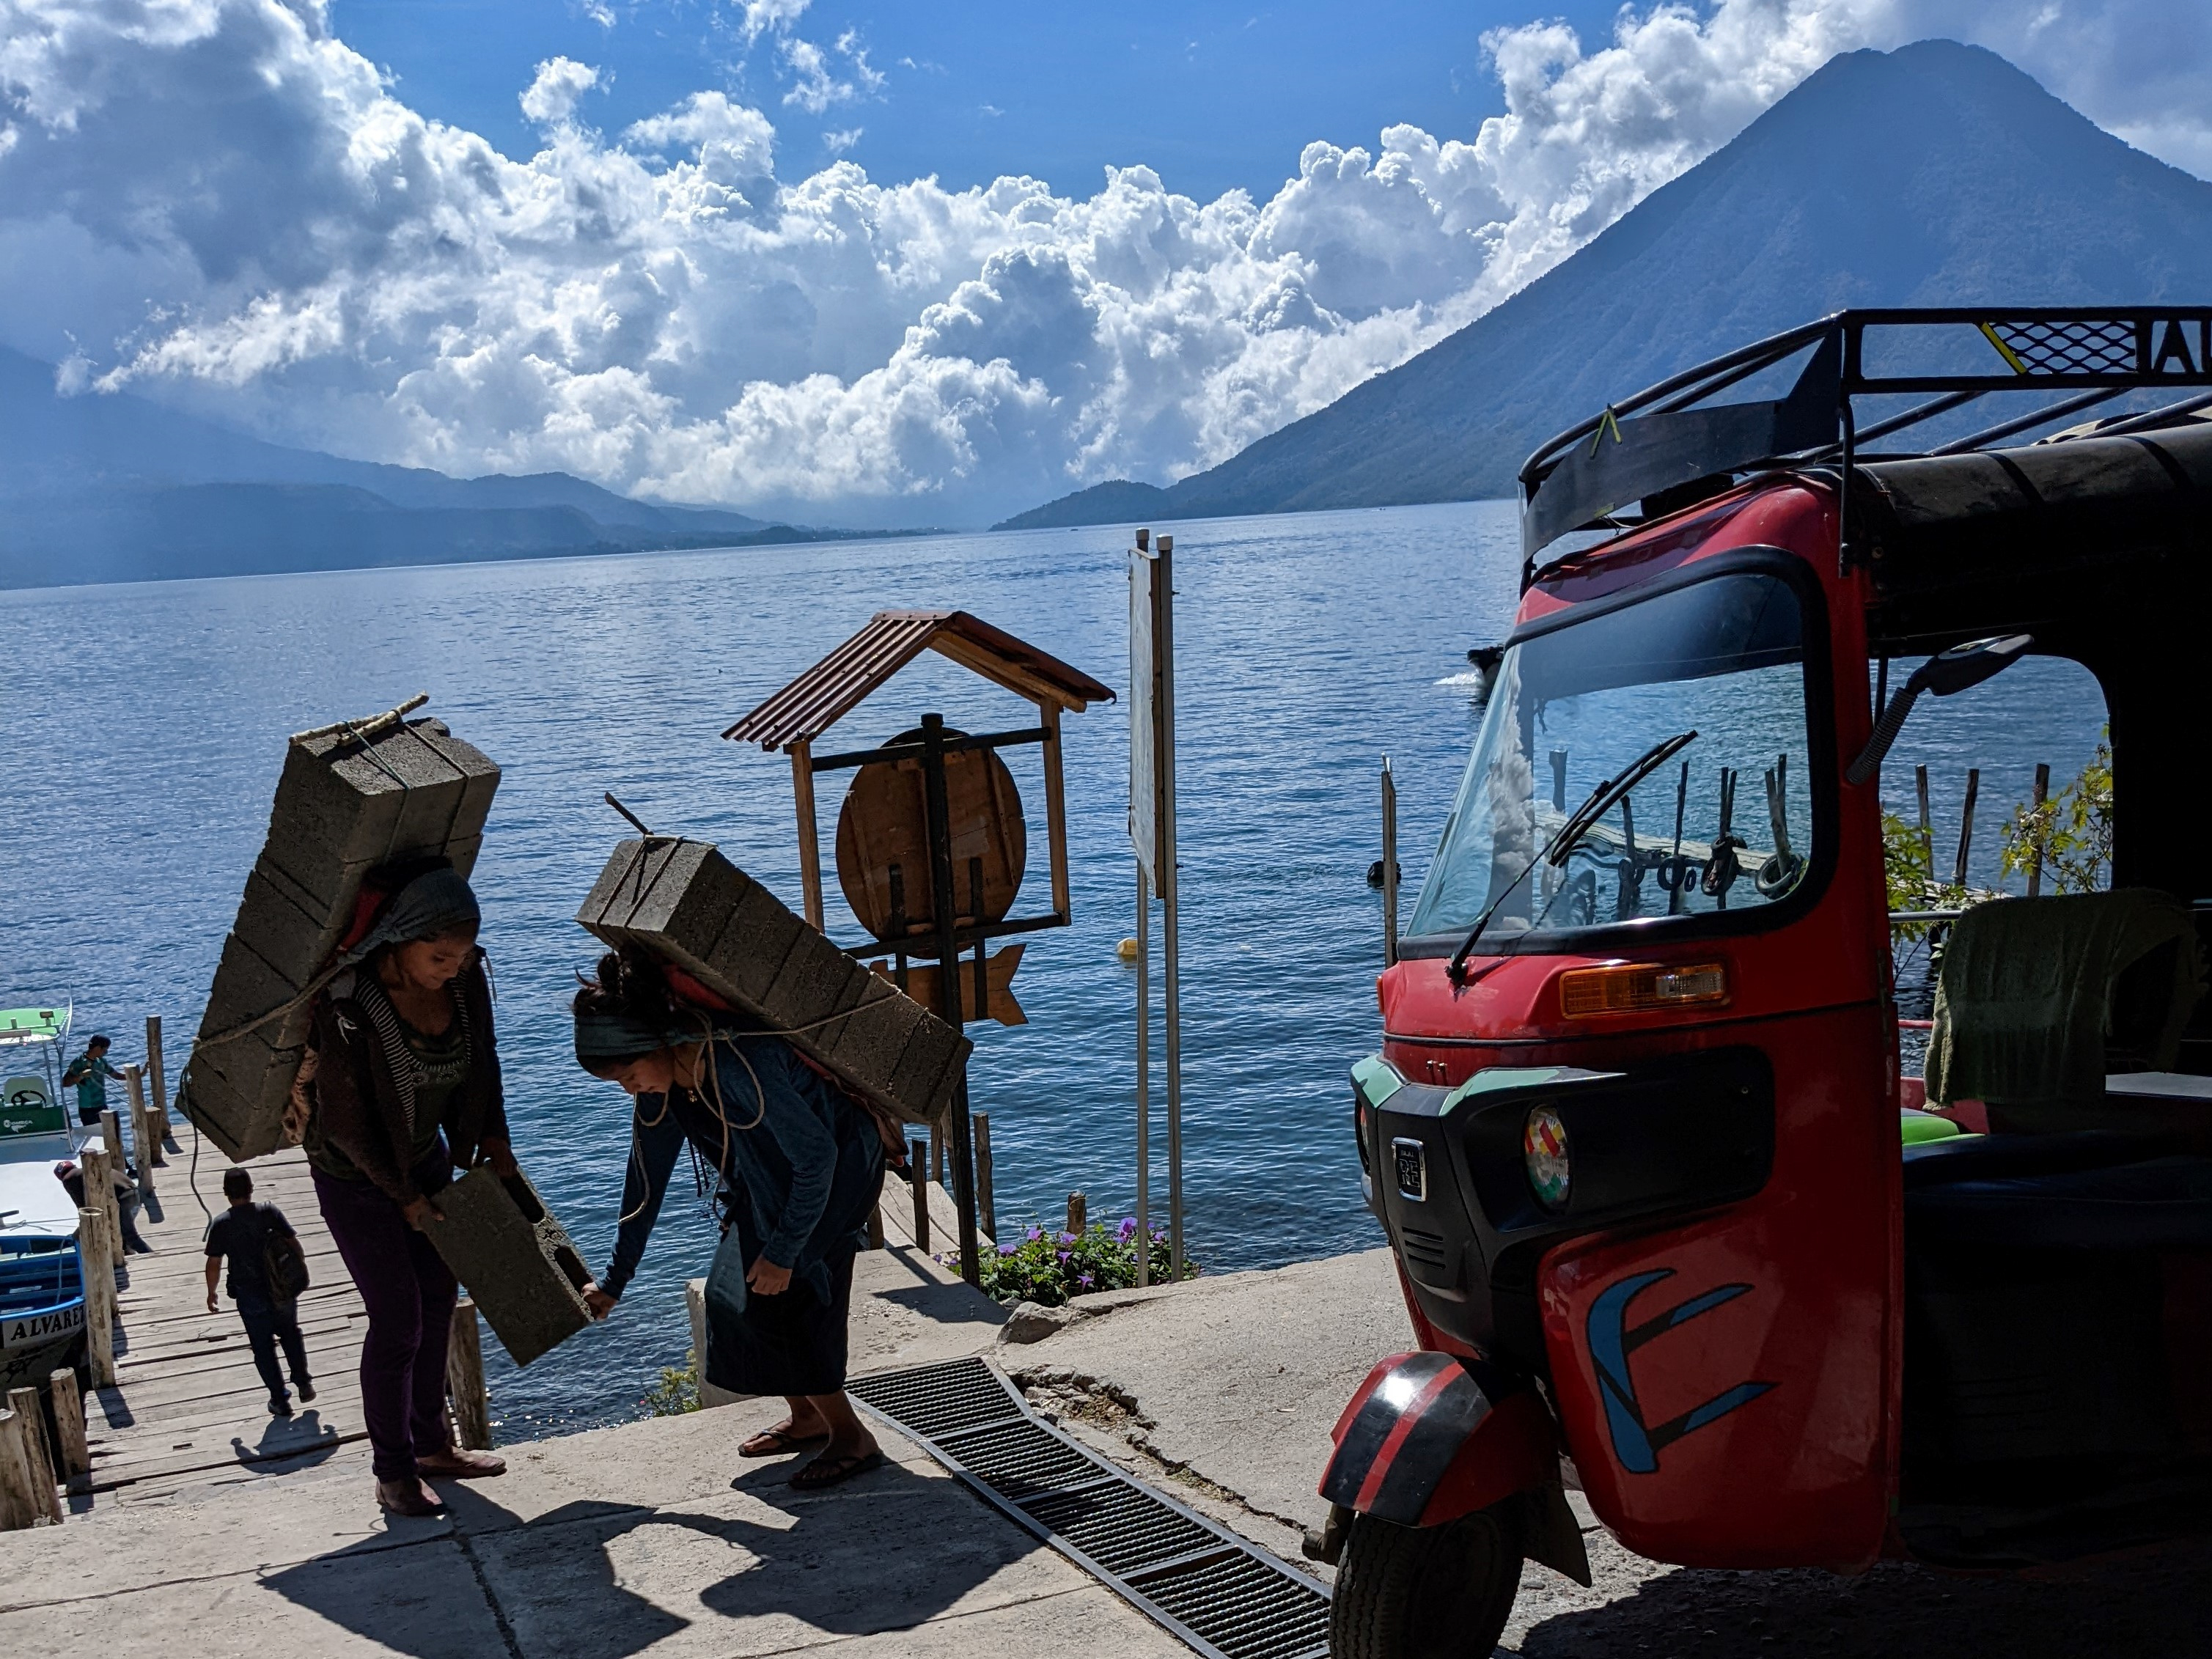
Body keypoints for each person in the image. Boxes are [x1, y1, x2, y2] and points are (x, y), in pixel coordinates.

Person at [572, 951, 889, 1490]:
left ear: (657, 1043)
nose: (629, 1089)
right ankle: (808, 1417)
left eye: (628, 1075)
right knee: (729, 1295)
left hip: (840, 1170)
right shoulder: (666, 1089)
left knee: (792, 1297)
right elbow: (644, 1185)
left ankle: (851, 1437)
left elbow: (817, 1160)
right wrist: (614, 1280)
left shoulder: (743, 1063)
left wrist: (786, 1250)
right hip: (766, 1179)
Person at [305, 861, 513, 1517]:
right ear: (397, 941)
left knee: (437, 1298)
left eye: (462, 955)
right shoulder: (348, 1004)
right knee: (396, 1319)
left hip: (426, 1161)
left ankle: (431, 1445)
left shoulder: (463, 984)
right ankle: (392, 1471)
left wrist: (495, 1137)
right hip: (355, 1178)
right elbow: (345, 1122)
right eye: (438, 954)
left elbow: (483, 1056)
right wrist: (402, 1197)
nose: (451, 967)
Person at [204, 1166, 316, 1415]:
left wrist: (211, 1293)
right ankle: (304, 1383)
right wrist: (299, 1270)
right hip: (281, 1287)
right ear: (251, 1189)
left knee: (262, 1347)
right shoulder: (269, 1212)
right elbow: (292, 1243)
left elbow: (214, 1263)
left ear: (225, 1193)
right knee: (290, 1333)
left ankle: (280, 1399)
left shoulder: (222, 1224)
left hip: (249, 1294)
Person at [54, 1157, 153, 1254]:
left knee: (128, 1234)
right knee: (120, 1229)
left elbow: (83, 1208)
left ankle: (150, 1256)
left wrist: (83, 1228)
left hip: (124, 1198)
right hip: (133, 1194)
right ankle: (126, 1255)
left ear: (60, 1177)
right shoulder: (84, 1172)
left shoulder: (69, 1179)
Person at [62, 1034, 126, 1128]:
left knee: (111, 1134)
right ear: (97, 1048)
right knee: (95, 1137)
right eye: (105, 1050)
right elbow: (64, 1083)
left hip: (102, 1105)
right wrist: (81, 1076)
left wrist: (139, 1074)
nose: (106, 1053)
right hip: (87, 1109)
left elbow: (116, 1075)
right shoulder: (79, 1063)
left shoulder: (101, 1062)